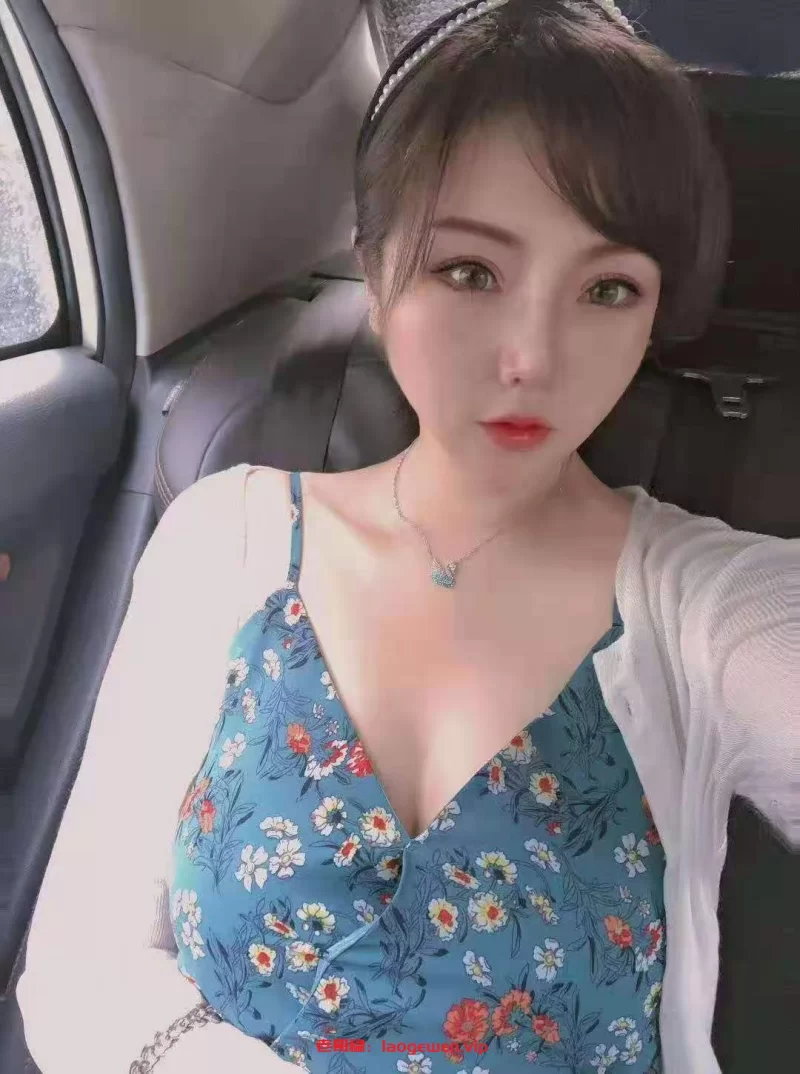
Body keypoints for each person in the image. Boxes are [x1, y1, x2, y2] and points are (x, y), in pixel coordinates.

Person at [17, 2, 799, 1072]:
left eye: (607, 290)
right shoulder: (223, 541)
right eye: (470, 272)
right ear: (376, 275)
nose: (532, 357)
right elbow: (81, 972)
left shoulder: (701, 603)